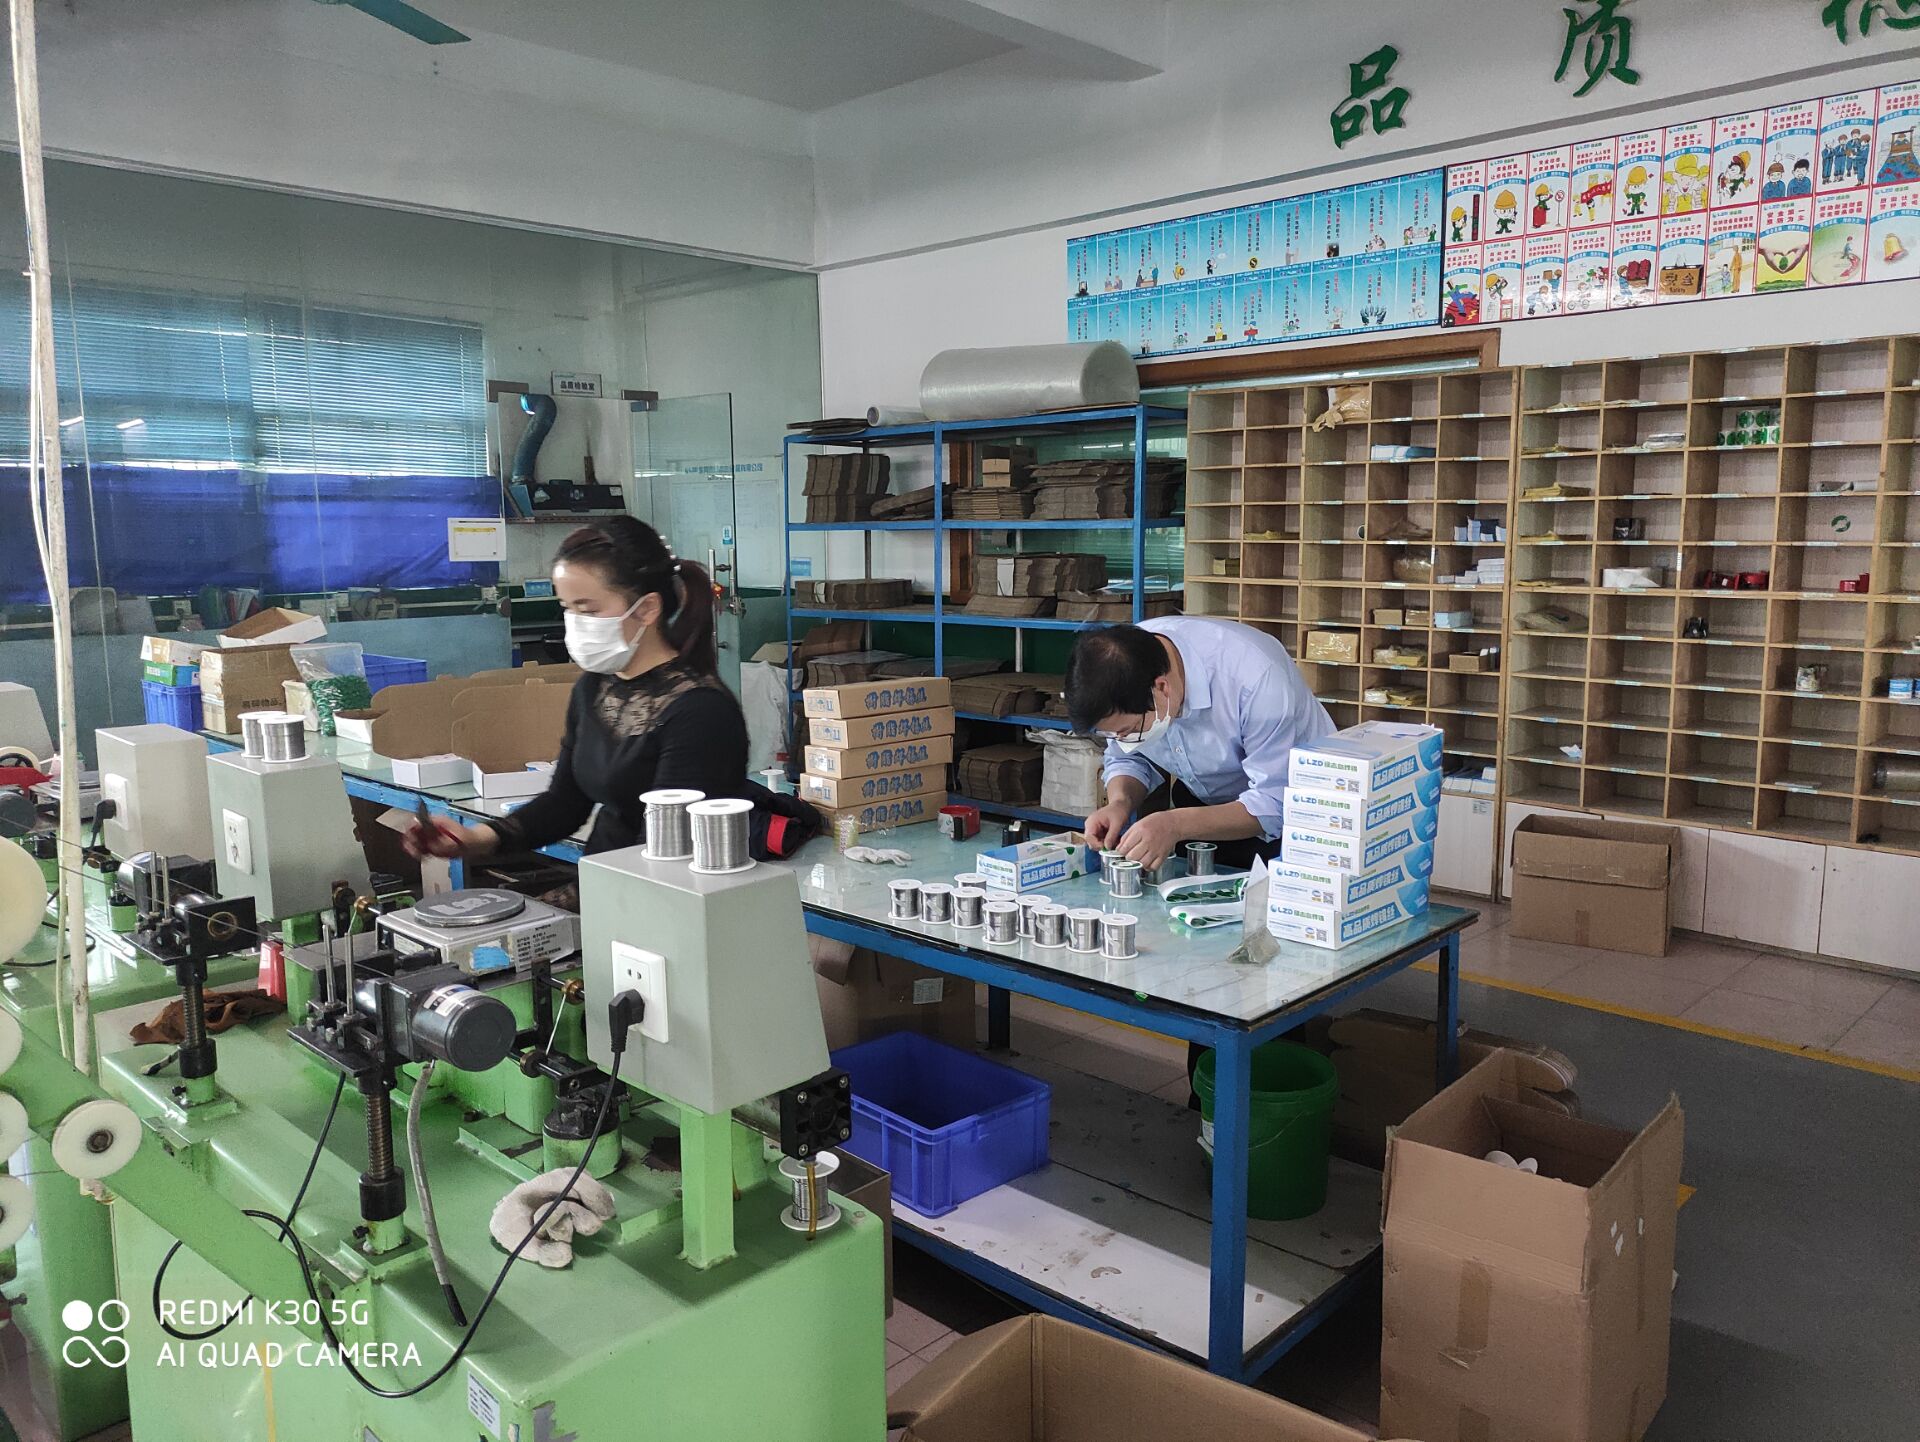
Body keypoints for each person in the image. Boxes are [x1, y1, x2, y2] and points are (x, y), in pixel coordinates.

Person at [405, 517, 746, 863]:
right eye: (567, 608)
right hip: (605, 877)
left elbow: (671, 850)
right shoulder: (594, 687)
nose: (575, 623)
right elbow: (565, 802)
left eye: (588, 609)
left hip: (658, 886)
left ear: (646, 609)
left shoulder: (700, 712)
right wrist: (473, 838)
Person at [1066, 617, 1335, 872]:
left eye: (1130, 731)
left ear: (1162, 688)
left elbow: (1273, 803)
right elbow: (1128, 757)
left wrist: (1174, 824)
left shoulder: (1255, 681)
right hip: (1203, 802)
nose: (1123, 740)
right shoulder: (1123, 671)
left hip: (1301, 816)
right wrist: (1120, 803)